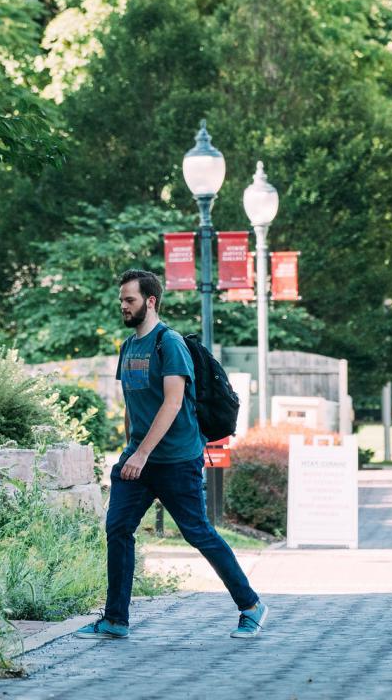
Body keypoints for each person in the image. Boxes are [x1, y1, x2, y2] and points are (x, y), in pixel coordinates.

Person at [77, 269, 266, 640]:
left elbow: (173, 402)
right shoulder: (129, 347)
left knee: (198, 533)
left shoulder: (170, 343)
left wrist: (141, 453)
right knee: (117, 528)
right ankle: (115, 619)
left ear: (150, 301)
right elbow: (133, 403)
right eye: (121, 300)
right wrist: (130, 448)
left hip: (177, 458)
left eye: (129, 300)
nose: (123, 306)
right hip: (138, 459)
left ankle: (251, 605)